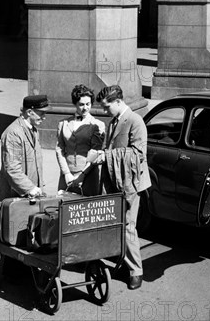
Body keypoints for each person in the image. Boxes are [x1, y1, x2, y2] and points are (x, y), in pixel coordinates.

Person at [94, 85, 151, 290]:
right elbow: (110, 147)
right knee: (116, 225)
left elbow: (137, 155)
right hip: (115, 180)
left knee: (127, 227)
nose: (104, 111)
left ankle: (136, 272)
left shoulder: (136, 121)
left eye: (106, 106)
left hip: (130, 184)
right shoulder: (113, 121)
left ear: (118, 102)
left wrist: (107, 156)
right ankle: (123, 263)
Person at [0, 95, 51, 205]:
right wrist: (30, 188)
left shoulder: (33, 129)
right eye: (41, 113)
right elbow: (12, 168)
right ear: (29, 112)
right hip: (14, 198)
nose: (44, 117)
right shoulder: (13, 133)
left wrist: (38, 187)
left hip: (30, 195)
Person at [55, 84, 106, 196]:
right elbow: (59, 149)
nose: (85, 108)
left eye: (88, 104)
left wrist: (82, 175)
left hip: (88, 175)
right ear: (75, 104)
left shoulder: (97, 125)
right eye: (81, 104)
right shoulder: (63, 124)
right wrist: (66, 173)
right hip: (67, 175)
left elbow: (95, 153)